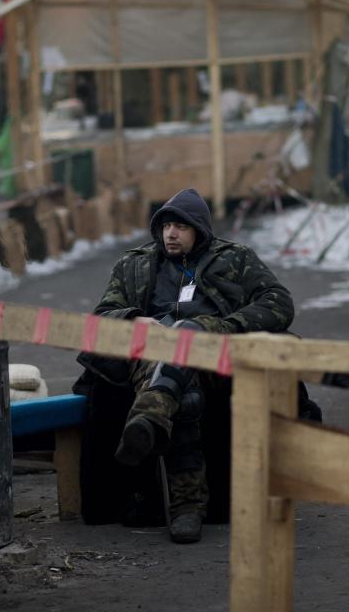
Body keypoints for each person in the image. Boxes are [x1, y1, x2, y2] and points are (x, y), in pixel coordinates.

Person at [78, 188, 295, 544]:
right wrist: (133, 319)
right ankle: (186, 507)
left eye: (180, 226)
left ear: (200, 230)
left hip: (212, 351)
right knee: (182, 384)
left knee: (187, 342)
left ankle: (150, 421)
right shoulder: (134, 265)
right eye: (165, 226)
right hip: (150, 353)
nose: (171, 234)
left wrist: (224, 326)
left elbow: (278, 302)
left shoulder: (236, 259)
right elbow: (102, 315)